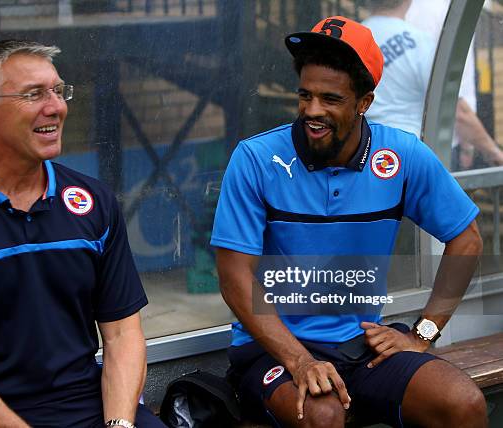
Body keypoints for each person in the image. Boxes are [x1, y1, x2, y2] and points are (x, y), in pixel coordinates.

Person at [210, 16, 488, 428]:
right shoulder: (256, 159)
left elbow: (467, 239)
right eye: (304, 96)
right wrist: (300, 361)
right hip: (275, 352)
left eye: (330, 99)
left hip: (360, 345)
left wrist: (422, 333)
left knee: (462, 404)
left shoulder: (402, 156)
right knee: (323, 415)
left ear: (364, 102)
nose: (312, 111)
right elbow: (234, 277)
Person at [0, 40, 164, 428]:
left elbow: (122, 334)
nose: (56, 107)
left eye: (58, 90)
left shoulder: (93, 201)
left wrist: (119, 424)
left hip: (88, 409)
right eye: (33, 94)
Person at [404, 0, 503, 168]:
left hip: (446, 136)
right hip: (436, 141)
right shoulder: (442, 10)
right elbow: (452, 102)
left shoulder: (449, 7)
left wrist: (467, 145)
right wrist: (494, 153)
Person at [362, 0, 435, 137]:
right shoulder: (420, 41)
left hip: (364, 144)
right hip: (411, 144)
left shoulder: (353, 43)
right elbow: (447, 101)